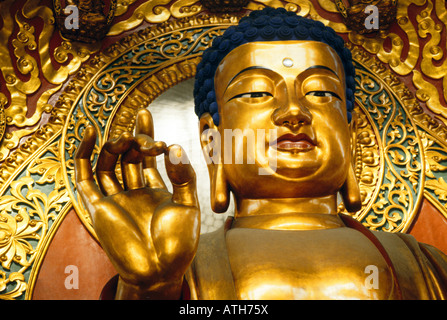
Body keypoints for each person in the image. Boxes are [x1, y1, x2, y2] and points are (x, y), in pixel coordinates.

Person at [74, 8, 447, 300]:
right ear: (211, 141)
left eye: (320, 92)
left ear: (349, 137)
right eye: (256, 93)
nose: (293, 112)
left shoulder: (427, 266)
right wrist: (149, 290)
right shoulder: (181, 269)